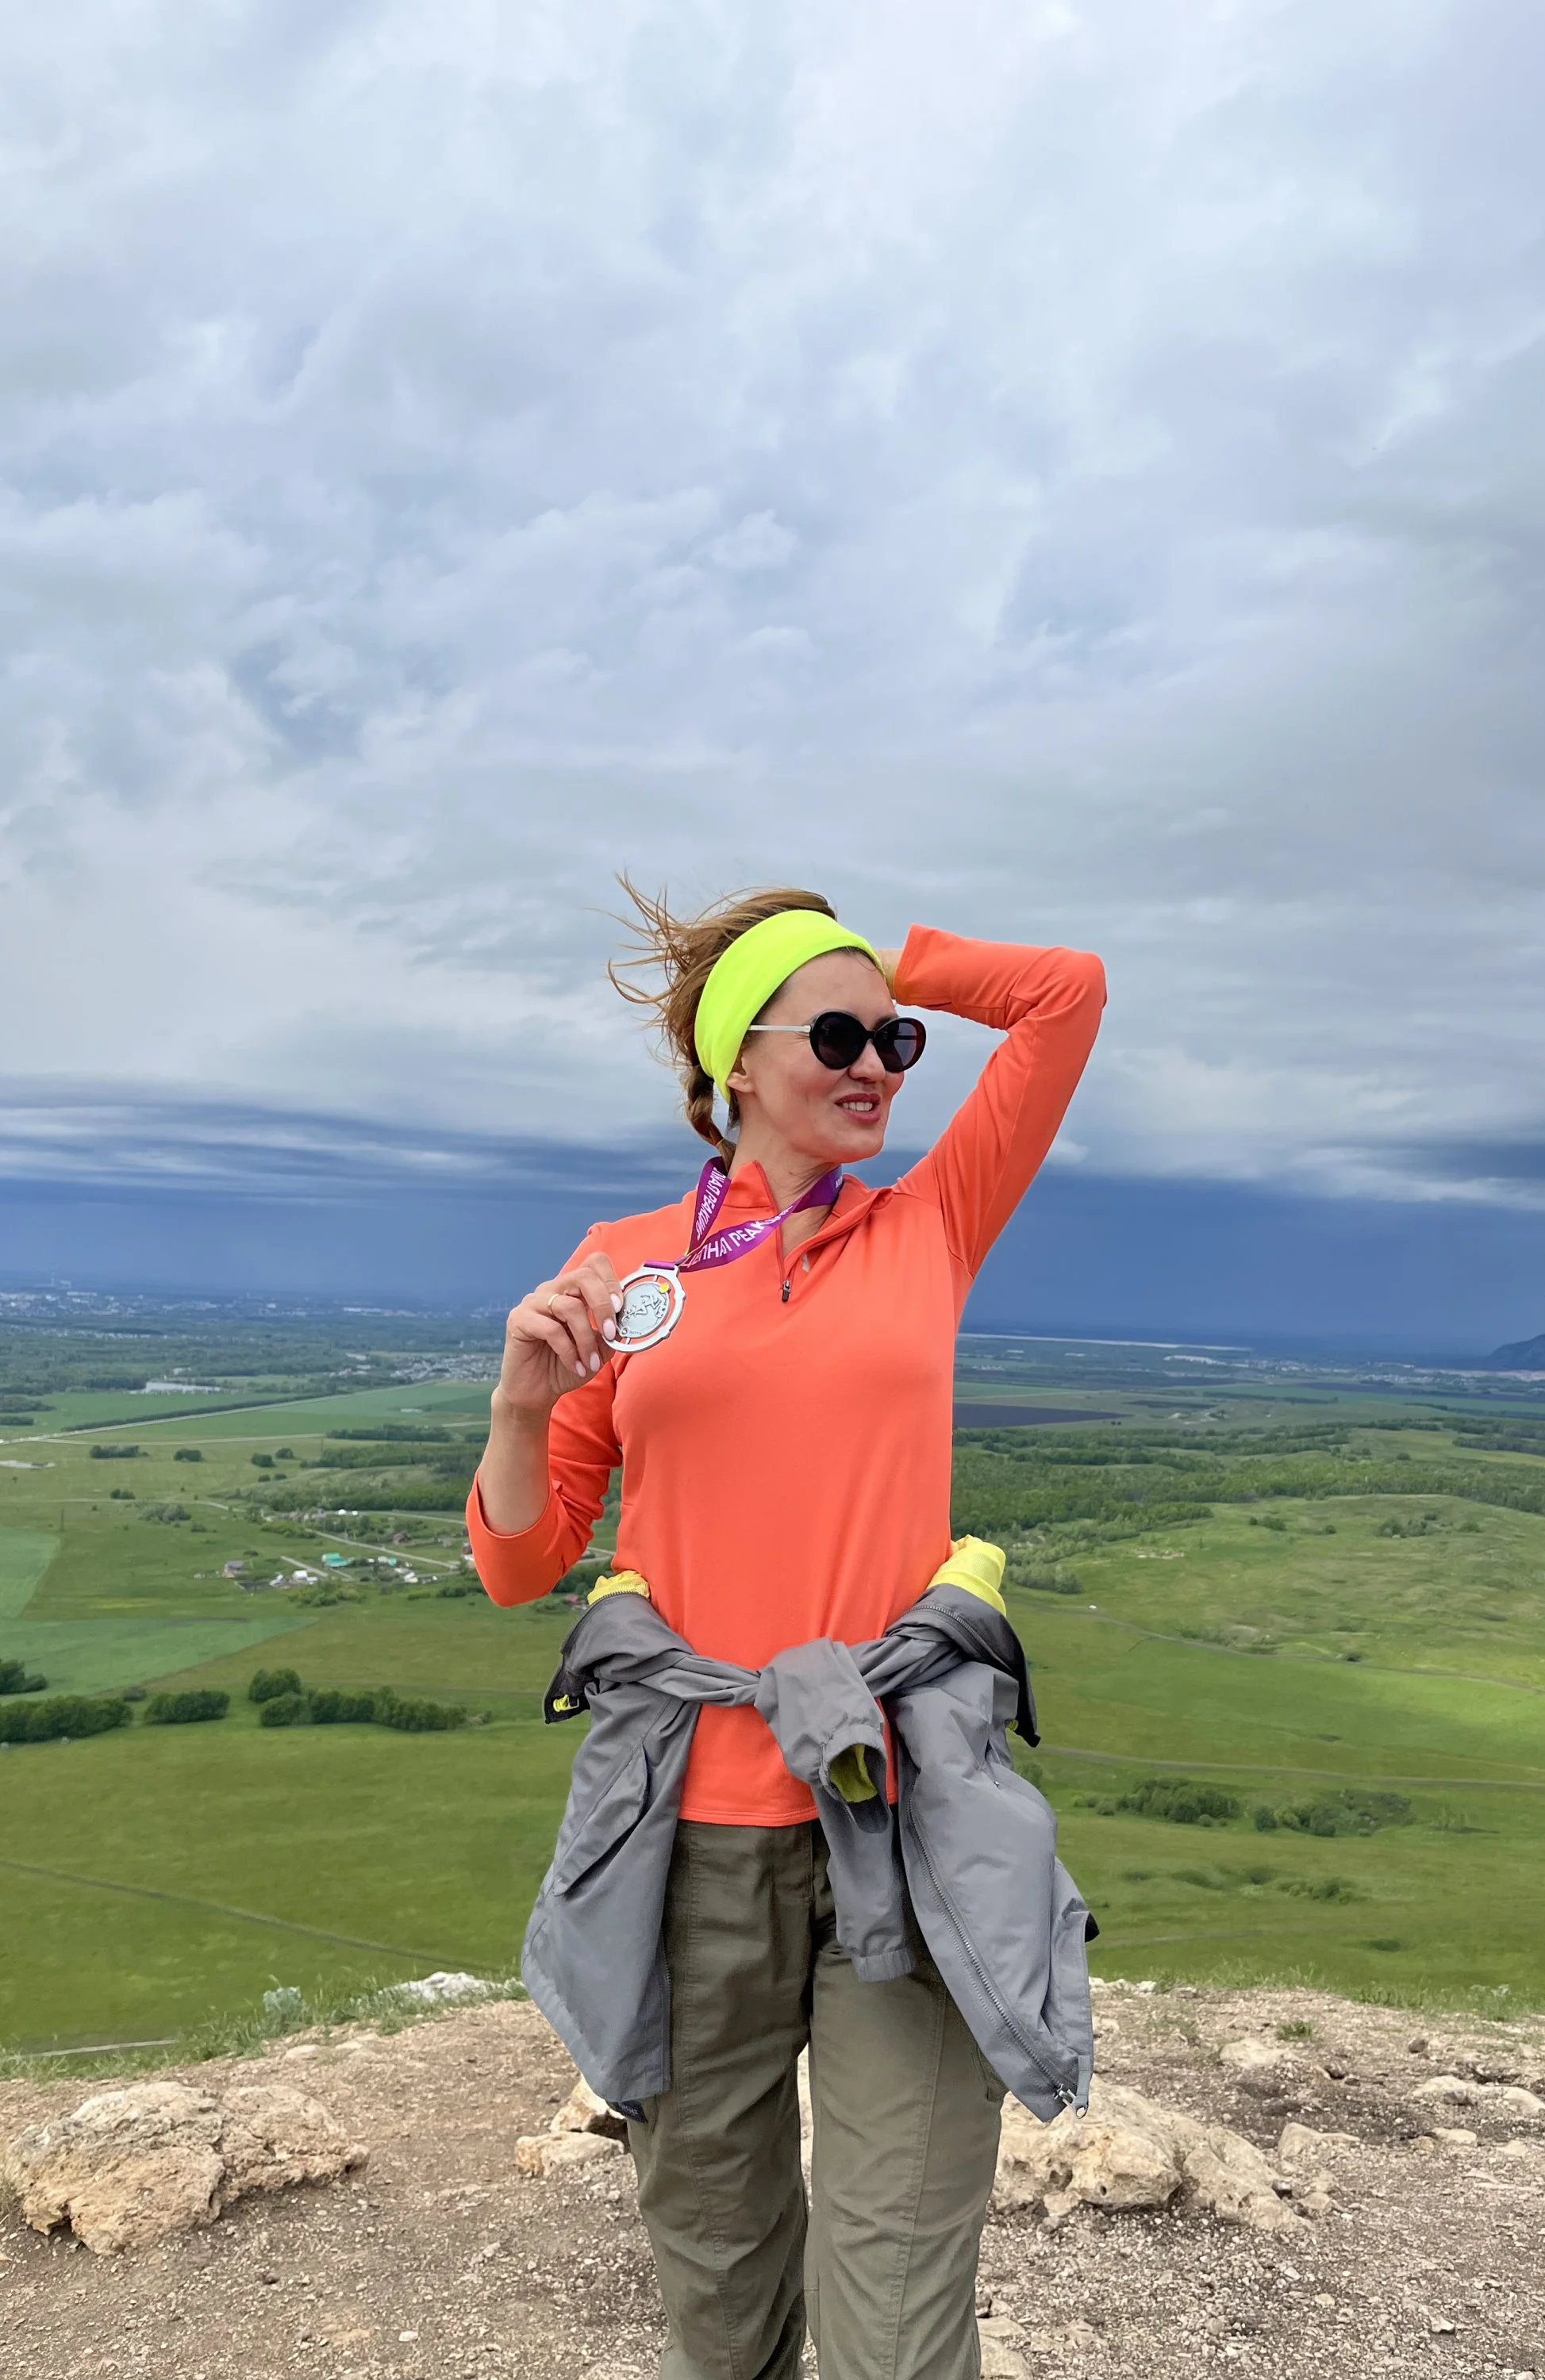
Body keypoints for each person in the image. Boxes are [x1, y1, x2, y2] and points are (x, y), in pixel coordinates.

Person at [467, 885, 1105, 2380]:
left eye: (894, 1041)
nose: (877, 1062)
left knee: (895, 2305)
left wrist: (889, 961)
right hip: (692, 1830)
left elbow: (1064, 991)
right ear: (735, 1062)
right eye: (835, 1035)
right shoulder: (627, 1265)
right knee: (718, 2279)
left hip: (904, 1811)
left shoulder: (929, 1224)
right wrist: (519, 1408)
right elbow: (523, 1560)